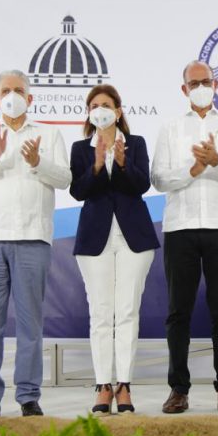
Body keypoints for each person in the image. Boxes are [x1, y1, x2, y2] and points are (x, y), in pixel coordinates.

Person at [0, 69, 71, 418]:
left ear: (30, 98)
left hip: (32, 239)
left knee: (30, 322)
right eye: (5, 90)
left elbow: (65, 178)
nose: (12, 95)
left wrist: (37, 162)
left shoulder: (48, 135)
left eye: (18, 90)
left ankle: (28, 396)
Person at [151, 60, 218, 414]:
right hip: (180, 227)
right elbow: (160, 180)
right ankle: (178, 389)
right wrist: (193, 169)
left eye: (206, 81)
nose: (200, 87)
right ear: (183, 90)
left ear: (216, 83)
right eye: (193, 83)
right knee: (178, 312)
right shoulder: (170, 128)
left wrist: (217, 160)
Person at [70, 84, 159, 415]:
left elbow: (141, 185)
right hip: (95, 239)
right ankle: (102, 386)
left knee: (126, 312)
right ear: (89, 113)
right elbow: (79, 191)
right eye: (94, 105)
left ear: (118, 111)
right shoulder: (81, 148)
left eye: (106, 104)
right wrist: (95, 166)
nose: (100, 109)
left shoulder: (135, 144)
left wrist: (121, 162)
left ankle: (124, 386)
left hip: (133, 236)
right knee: (100, 314)